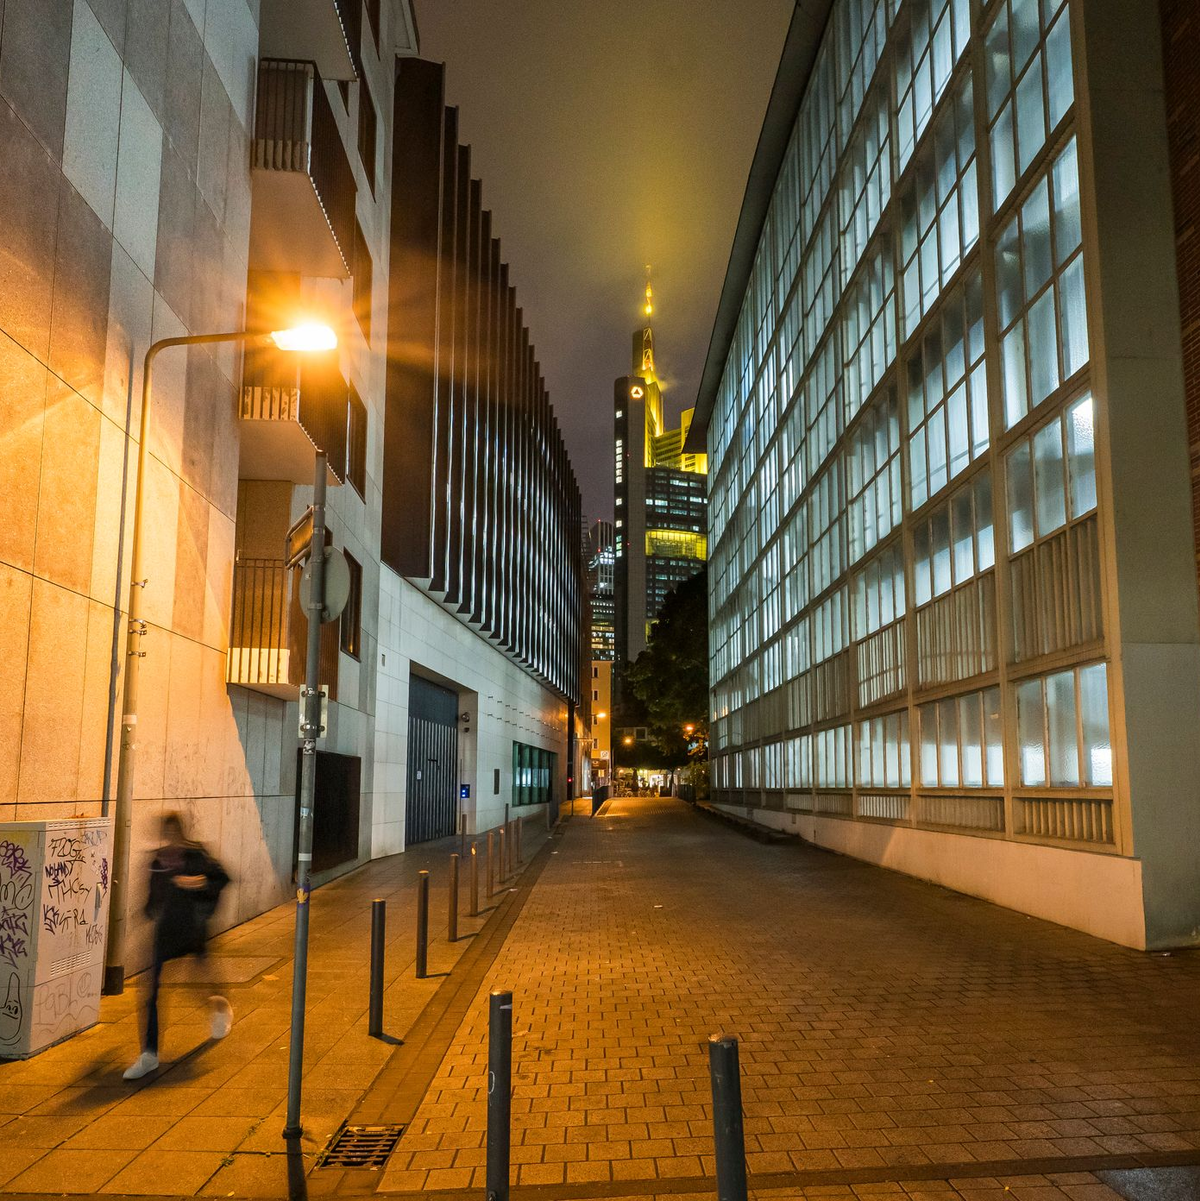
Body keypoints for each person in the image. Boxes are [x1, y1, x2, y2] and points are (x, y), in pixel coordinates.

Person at [123, 812, 232, 1081]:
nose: (171, 837)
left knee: (201, 983)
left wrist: (199, 882)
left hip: (192, 931)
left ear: (181, 832)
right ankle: (149, 1053)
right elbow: (152, 899)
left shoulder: (196, 855)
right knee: (151, 993)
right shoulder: (157, 861)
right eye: (167, 832)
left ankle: (220, 1006)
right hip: (165, 933)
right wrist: (146, 913)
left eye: (174, 832)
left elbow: (222, 878)